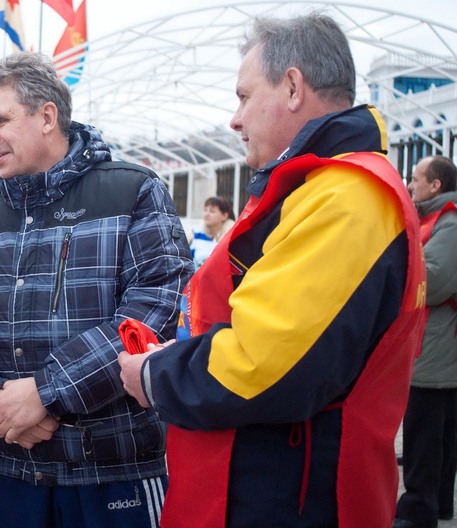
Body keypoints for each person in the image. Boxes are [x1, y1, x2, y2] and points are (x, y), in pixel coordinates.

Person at [119, 13, 426, 528]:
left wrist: (155, 374)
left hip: (291, 497)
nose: (234, 120)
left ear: (291, 87)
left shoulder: (348, 198)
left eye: (242, 97)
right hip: (275, 485)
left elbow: (264, 364)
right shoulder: (320, 189)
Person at [0, 51, 193, 527]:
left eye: (0, 120)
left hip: (118, 471)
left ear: (47, 116)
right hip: (15, 471)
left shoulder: (133, 191)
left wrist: (46, 393)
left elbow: (153, 308)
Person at [394, 155, 457, 528]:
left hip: (434, 351)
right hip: (437, 347)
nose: (411, 184)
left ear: (435, 185)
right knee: (441, 438)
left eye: (416, 179)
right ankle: (439, 507)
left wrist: (401, 263)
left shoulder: (448, 225)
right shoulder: (438, 221)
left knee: (425, 437)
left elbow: (432, 282)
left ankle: (419, 511)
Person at [190, 196, 235, 268]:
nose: (207, 214)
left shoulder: (232, 237)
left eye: (212, 211)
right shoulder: (196, 233)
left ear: (224, 216)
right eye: (205, 210)